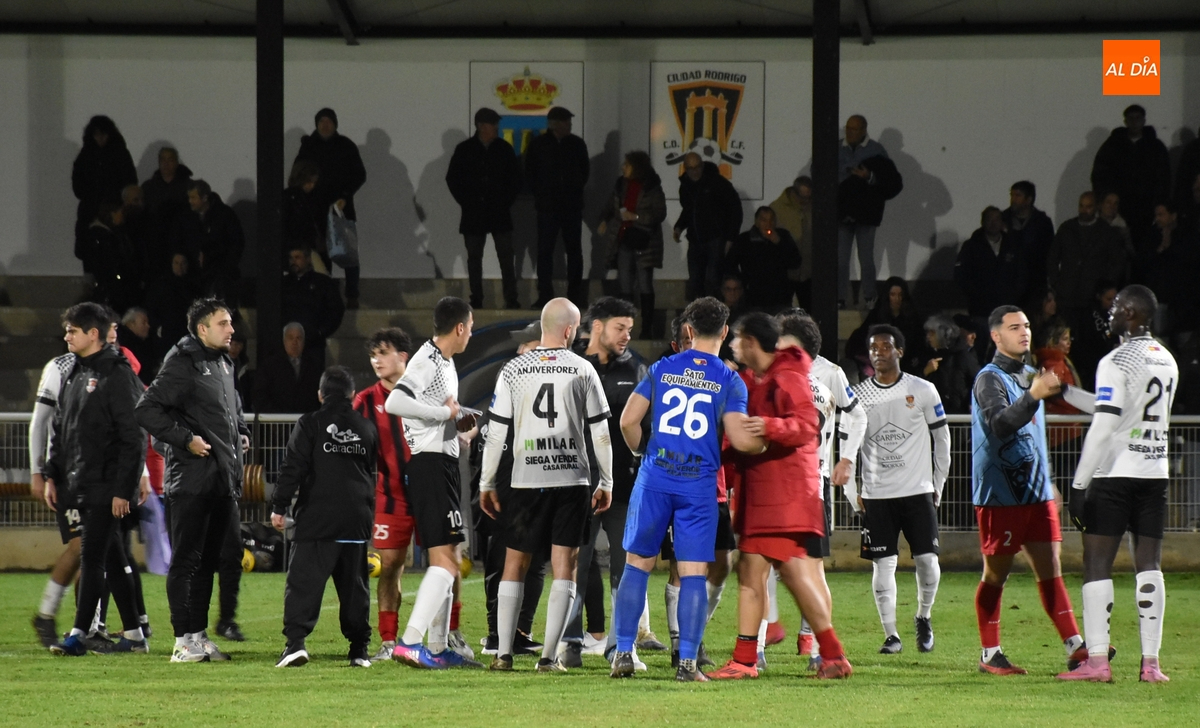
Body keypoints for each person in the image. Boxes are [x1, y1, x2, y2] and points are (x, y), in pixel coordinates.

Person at [611, 297, 760, 682]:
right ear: (724, 332)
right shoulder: (730, 381)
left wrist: (643, 452)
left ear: (689, 331)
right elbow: (740, 438)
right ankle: (688, 664)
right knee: (693, 573)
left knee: (637, 565)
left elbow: (628, 421)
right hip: (698, 486)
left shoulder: (662, 368)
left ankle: (623, 652)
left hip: (656, 479)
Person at [706, 312, 852, 681]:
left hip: (784, 494)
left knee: (788, 574)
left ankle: (828, 654)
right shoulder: (758, 378)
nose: (733, 345)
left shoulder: (788, 376)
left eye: (738, 338)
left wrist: (770, 426)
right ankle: (751, 659)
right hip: (766, 493)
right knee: (758, 573)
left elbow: (807, 425)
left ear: (752, 342)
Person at [478, 299, 614, 673]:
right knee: (564, 565)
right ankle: (548, 658)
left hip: (525, 480)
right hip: (571, 480)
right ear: (569, 330)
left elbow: (496, 433)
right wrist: (607, 480)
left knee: (515, 562)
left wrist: (487, 481)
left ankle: (504, 653)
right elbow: (601, 432)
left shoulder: (514, 369)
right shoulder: (583, 368)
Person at [1059, 285, 1178, 683]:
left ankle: (1097, 662)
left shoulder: (1116, 360)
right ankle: (1151, 664)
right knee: (1149, 565)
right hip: (1154, 473)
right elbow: (1113, 407)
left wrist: (1079, 485)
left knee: (1096, 563)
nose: (1109, 314)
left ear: (1130, 313)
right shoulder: (1166, 358)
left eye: (1114, 308)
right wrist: (1065, 392)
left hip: (1114, 474)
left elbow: (1105, 424)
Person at [971, 305, 1093, 676]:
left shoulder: (1030, 374)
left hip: (1036, 492)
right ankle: (990, 654)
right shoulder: (988, 379)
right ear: (996, 336)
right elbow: (1000, 425)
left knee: (1050, 566)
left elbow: (1069, 404)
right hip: (1000, 494)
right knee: (996, 573)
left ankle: (1076, 646)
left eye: (1025, 326)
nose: (1024, 332)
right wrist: (1033, 395)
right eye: (1014, 327)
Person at [135, 298, 250, 663]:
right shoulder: (183, 362)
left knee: (207, 562)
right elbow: (146, 409)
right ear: (202, 329)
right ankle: (181, 642)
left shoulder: (223, 363)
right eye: (223, 323)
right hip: (190, 481)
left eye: (230, 323)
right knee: (186, 562)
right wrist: (185, 439)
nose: (231, 330)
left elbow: (229, 413)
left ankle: (198, 636)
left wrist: (241, 433)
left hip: (221, 479)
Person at [45, 303, 148, 656]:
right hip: (82, 483)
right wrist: (52, 474)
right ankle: (135, 635)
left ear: (93, 334)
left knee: (91, 556)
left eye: (72, 331)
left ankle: (79, 634)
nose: (66, 336)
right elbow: (62, 428)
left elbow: (134, 437)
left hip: (107, 484)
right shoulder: (75, 371)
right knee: (114, 558)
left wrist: (123, 489)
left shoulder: (117, 375)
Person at [384, 297, 479, 669]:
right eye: (470, 327)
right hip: (430, 467)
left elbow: (435, 416)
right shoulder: (426, 360)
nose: (470, 334)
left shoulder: (445, 363)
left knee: (451, 557)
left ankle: (438, 648)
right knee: (444, 561)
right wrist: (443, 413)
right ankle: (410, 642)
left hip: (443, 464)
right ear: (460, 327)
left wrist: (458, 430)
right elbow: (395, 403)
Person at [846, 324, 950, 655]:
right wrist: (851, 490)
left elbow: (942, 438)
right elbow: (847, 446)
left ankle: (924, 616)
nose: (878, 352)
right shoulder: (858, 395)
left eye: (885, 346)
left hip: (917, 491)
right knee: (883, 565)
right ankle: (891, 634)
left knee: (928, 561)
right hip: (877, 495)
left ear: (899, 351)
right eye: (873, 348)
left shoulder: (922, 389)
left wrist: (938, 484)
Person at [557, 298, 648, 667]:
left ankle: (621, 647)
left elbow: (646, 424)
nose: (627, 336)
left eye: (629, 329)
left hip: (624, 484)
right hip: (577, 484)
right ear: (597, 327)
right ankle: (569, 644)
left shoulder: (637, 369)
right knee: (573, 565)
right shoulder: (570, 365)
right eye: (620, 328)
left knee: (626, 568)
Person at [776, 313, 867, 666]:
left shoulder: (830, 372)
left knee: (809, 567)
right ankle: (761, 647)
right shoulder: (772, 369)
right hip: (781, 482)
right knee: (767, 564)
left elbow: (858, 415)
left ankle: (811, 641)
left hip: (812, 482)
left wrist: (846, 458)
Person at [272, 366, 378, 668]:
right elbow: (370, 469)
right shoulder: (367, 428)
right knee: (355, 587)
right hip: (356, 518)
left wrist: (279, 506)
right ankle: (359, 650)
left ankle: (295, 644)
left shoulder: (311, 423)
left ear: (320, 395)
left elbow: (293, 466)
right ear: (352, 395)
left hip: (318, 518)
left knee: (303, 583)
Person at [353, 328, 442, 662]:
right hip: (391, 496)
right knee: (389, 566)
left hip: (431, 492)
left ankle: (447, 637)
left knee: (443, 564)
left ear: (403, 356)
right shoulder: (365, 401)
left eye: (383, 353)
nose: (376, 361)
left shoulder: (427, 391)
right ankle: (389, 640)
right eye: (372, 355)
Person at [471, 324, 552, 658]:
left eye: (528, 346)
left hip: (535, 484)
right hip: (504, 488)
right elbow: (492, 437)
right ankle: (496, 634)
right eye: (521, 347)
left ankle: (520, 632)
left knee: (536, 563)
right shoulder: (510, 382)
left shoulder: (547, 385)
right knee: (502, 559)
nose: (520, 352)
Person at [29, 341, 86, 649]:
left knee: (97, 551)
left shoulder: (114, 366)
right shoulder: (61, 367)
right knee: (82, 547)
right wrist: (37, 471)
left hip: (102, 477)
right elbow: (40, 421)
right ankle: (53, 616)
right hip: (68, 474)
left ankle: (87, 625)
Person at [446, 107, 523, 310]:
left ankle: (511, 298)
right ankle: (476, 298)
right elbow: (453, 179)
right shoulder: (465, 150)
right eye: (493, 124)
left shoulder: (503, 149)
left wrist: (505, 201)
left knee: (506, 257)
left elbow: (515, 179)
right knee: (474, 258)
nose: (496, 127)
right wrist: (467, 201)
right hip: (474, 213)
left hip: (499, 211)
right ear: (481, 126)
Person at [294, 108, 367, 308]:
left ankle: (352, 295)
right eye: (321, 122)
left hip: (341, 209)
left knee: (348, 254)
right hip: (314, 210)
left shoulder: (346, 146)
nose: (325, 125)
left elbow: (359, 174)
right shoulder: (309, 146)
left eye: (329, 122)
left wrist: (345, 195)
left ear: (335, 124)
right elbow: (297, 174)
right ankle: (325, 296)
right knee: (320, 255)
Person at [525, 107, 590, 307]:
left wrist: (573, 191)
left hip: (571, 207)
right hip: (548, 208)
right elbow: (530, 173)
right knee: (545, 252)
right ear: (554, 124)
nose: (569, 125)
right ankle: (545, 295)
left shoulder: (577, 144)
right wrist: (542, 195)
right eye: (565, 121)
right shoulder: (539, 145)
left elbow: (584, 172)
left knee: (574, 252)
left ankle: (575, 296)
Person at [598, 151, 667, 338]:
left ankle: (646, 328)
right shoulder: (621, 184)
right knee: (625, 284)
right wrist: (605, 219)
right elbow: (611, 206)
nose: (623, 168)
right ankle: (625, 327)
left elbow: (659, 213)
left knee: (644, 283)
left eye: (627, 165)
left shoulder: (651, 186)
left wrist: (635, 217)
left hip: (644, 240)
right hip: (623, 238)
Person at [838, 115, 903, 309]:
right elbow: (817, 170)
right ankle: (839, 298)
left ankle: (869, 297)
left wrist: (869, 176)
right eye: (848, 128)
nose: (850, 132)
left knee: (866, 259)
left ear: (864, 130)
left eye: (854, 129)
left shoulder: (876, 151)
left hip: (866, 214)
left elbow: (890, 181)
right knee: (841, 260)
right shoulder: (835, 148)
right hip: (842, 213)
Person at [1047, 192, 1126, 335]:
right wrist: (1056, 284)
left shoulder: (1106, 232)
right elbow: (1052, 258)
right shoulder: (1067, 228)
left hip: (1092, 297)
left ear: (1096, 207)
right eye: (1081, 206)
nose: (1084, 210)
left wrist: (1103, 289)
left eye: (1088, 207)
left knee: (1089, 335)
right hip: (1067, 295)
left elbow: (1116, 263)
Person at [1091, 105, 1171, 242]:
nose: (1135, 122)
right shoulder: (1112, 146)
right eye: (1131, 118)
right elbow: (1100, 175)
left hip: (1147, 210)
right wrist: (1107, 201)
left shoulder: (1156, 147)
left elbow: (1164, 178)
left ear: (1144, 121)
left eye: (1138, 118)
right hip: (1119, 210)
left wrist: (1159, 204)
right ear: (1125, 121)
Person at [673, 153, 743, 301]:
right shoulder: (685, 186)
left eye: (697, 167)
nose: (695, 171)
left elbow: (735, 209)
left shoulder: (717, 183)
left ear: (702, 165)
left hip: (715, 238)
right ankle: (700, 310)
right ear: (685, 168)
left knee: (713, 279)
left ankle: (714, 310)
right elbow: (688, 210)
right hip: (695, 239)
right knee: (695, 280)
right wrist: (679, 226)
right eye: (691, 168)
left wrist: (730, 238)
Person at [170, 180, 245, 308]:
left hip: (219, 277)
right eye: (189, 197)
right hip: (191, 276)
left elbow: (236, 243)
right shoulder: (185, 216)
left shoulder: (224, 215)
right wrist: (180, 255)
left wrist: (219, 262)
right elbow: (177, 238)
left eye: (193, 197)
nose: (190, 201)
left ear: (204, 197)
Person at [1134, 201, 1200, 342]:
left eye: (1161, 215)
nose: (1157, 219)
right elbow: (1143, 262)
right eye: (1156, 215)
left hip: (1182, 299)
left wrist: (1171, 246)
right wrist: (1161, 248)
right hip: (1160, 297)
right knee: (1160, 337)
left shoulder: (1186, 235)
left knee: (1183, 339)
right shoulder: (1152, 236)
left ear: (1173, 216)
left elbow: (1190, 261)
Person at [72, 115, 137, 256]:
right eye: (97, 134)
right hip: (90, 212)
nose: (100, 138)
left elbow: (130, 185)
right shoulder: (85, 156)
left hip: (114, 212)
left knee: (114, 252)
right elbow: (77, 187)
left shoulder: (120, 154)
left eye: (104, 134)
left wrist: (119, 208)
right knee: (89, 252)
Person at [954, 206, 1027, 320]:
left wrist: (1013, 296)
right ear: (983, 222)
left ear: (1002, 222)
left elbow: (1021, 273)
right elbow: (961, 275)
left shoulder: (1012, 245)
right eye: (989, 219)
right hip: (980, 308)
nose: (993, 223)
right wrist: (975, 296)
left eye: (997, 219)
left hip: (1007, 307)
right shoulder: (971, 246)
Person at [725, 207, 802, 313]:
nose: (768, 224)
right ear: (757, 222)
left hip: (780, 298)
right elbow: (729, 264)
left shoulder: (783, 236)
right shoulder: (744, 240)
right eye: (764, 220)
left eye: (771, 220)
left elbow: (795, 262)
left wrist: (780, 243)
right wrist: (743, 283)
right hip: (753, 299)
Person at [844, 277, 925, 376]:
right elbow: (860, 339)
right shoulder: (877, 316)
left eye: (900, 295)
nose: (897, 299)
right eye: (893, 295)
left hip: (906, 368)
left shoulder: (912, 318)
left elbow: (919, 345)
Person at [281, 245, 345, 356]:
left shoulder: (323, 283)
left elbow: (335, 310)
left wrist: (320, 332)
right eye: (291, 258)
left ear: (308, 259)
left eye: (297, 257)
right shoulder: (283, 283)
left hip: (313, 344)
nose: (293, 261)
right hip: (286, 344)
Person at [142, 147, 194, 276]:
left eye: (170, 160)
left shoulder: (188, 186)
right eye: (163, 160)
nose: (166, 164)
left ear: (176, 162)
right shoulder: (148, 187)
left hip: (182, 243)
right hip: (155, 244)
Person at [253, 323, 323, 414]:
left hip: (306, 419)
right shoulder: (270, 366)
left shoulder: (313, 366)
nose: (295, 342)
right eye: (290, 338)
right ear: (284, 340)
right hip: (277, 419)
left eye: (299, 338)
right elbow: (260, 396)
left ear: (304, 341)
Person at [920, 314, 981, 415]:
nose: (928, 337)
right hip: (934, 414)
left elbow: (979, 381)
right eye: (928, 333)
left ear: (943, 333)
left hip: (959, 416)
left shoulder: (963, 356)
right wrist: (925, 372)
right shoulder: (928, 356)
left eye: (932, 333)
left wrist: (971, 403)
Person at [1001, 181, 1055, 293]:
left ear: (1029, 199)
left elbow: (1050, 253)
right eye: (1012, 195)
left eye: (1018, 195)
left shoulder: (1042, 222)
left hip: (1035, 284)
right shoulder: (1002, 219)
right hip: (1008, 283)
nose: (1013, 199)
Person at [770, 176, 814, 308]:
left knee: (810, 311)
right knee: (781, 310)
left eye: (809, 197)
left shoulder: (815, 207)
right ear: (794, 192)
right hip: (784, 273)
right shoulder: (776, 209)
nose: (806, 201)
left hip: (808, 272)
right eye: (803, 197)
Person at [1071, 281, 1120, 391]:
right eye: (1109, 299)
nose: (1112, 303)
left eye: (1115, 299)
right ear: (1099, 297)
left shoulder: (1115, 315)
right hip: (1093, 370)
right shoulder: (1088, 317)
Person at [283, 159, 324, 266]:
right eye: (309, 182)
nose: (312, 186)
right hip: (300, 246)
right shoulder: (302, 198)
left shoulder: (289, 196)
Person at [118, 307, 161, 386]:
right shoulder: (128, 344)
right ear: (131, 324)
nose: (148, 326)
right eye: (144, 323)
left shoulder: (139, 343)